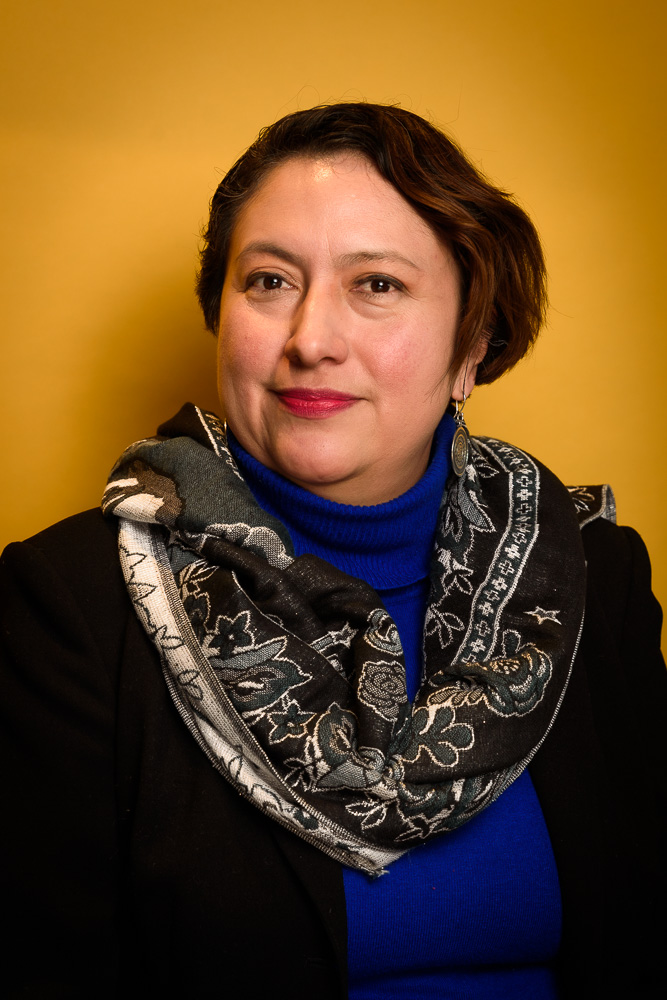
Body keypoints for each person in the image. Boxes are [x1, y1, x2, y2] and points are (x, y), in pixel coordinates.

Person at [1, 103, 665, 999]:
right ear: (220, 315)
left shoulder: (590, 574)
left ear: (471, 346)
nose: (310, 340)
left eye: (376, 284)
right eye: (269, 280)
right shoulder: (73, 605)